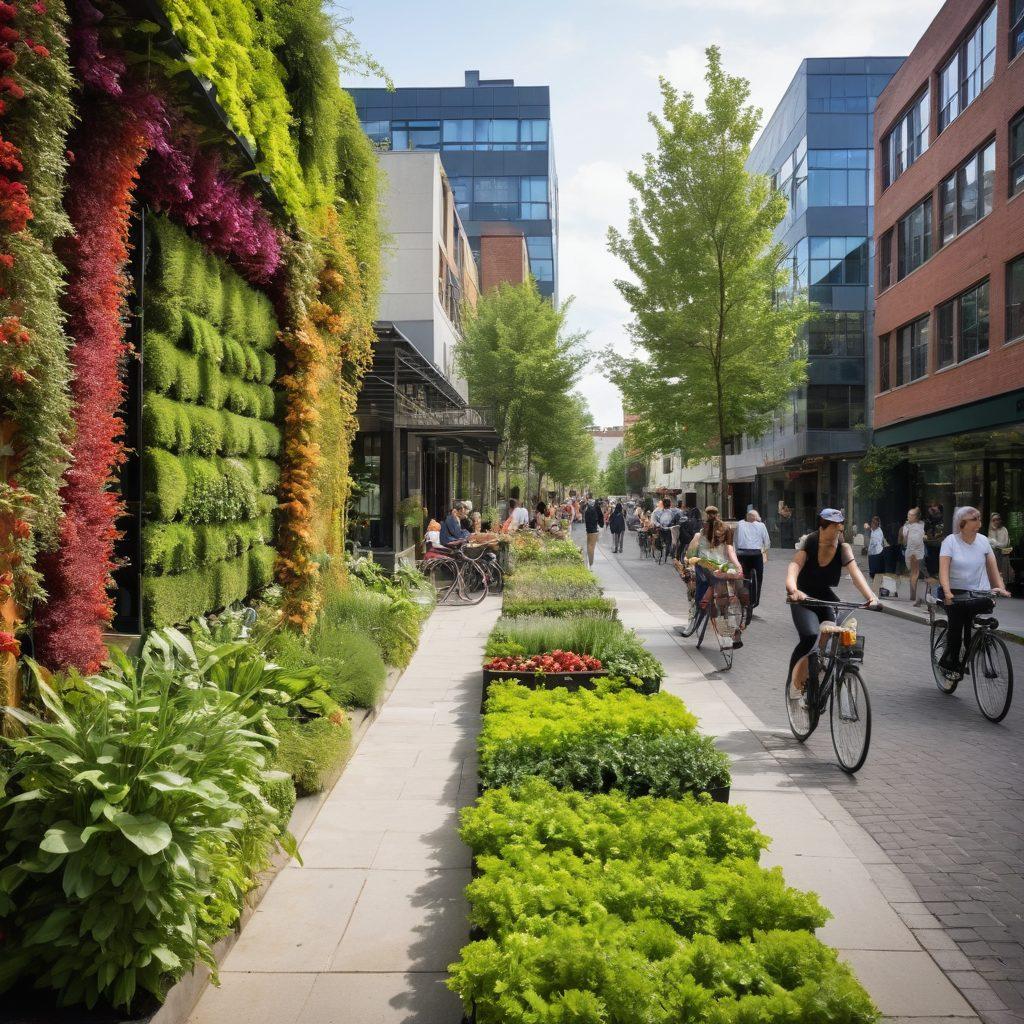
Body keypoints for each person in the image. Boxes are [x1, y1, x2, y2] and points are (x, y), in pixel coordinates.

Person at [785, 508, 878, 703]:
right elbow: (794, 566)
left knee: (843, 628)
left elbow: (855, 573)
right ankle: (793, 683)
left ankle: (821, 664)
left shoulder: (843, 548)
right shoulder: (810, 541)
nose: (839, 530)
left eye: (840, 526)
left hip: (825, 595)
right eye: (835, 527)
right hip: (803, 596)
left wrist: (871, 597)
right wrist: (793, 589)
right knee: (810, 636)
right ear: (823, 526)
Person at [937, 506, 1010, 675]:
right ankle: (950, 661)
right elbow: (944, 570)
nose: (979, 522)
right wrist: (947, 591)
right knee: (956, 627)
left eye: (979, 518)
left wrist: (1000, 587)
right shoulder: (950, 541)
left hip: (979, 593)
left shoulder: (983, 541)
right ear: (962, 523)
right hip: (956, 592)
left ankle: (977, 648)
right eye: (974, 519)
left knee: (982, 620)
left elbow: (992, 567)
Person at [686, 506, 745, 647]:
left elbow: (692, 554)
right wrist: (738, 565)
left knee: (701, 596)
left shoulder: (701, 531)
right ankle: (734, 627)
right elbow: (730, 551)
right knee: (729, 594)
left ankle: (697, 618)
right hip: (721, 568)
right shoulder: (727, 529)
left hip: (705, 568)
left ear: (706, 516)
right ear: (718, 515)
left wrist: (690, 560)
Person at [734, 509, 771, 611]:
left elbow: (735, 540)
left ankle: (743, 598)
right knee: (758, 578)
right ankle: (755, 601)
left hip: (742, 554)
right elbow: (767, 542)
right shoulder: (761, 525)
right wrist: (764, 550)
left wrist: (736, 551)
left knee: (743, 576)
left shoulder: (740, 524)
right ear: (756, 518)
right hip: (756, 554)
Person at [900, 507, 926, 606]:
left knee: (915, 573)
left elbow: (905, 540)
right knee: (914, 573)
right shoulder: (910, 526)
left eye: (911, 515)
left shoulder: (918, 525)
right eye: (908, 515)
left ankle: (914, 595)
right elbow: (905, 540)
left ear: (917, 517)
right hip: (912, 550)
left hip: (917, 550)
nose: (909, 516)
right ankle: (914, 595)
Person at [862, 515, 887, 597]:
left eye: (874, 523)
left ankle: (876, 591)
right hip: (872, 554)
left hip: (877, 554)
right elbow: (868, 528)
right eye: (872, 522)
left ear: (877, 524)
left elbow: (880, 543)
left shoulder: (879, 532)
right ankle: (875, 591)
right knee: (873, 574)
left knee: (876, 574)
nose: (872, 524)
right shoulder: (874, 530)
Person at [988, 513, 1012, 581]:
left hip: (1003, 557)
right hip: (993, 557)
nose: (996, 521)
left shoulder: (1004, 529)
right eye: (994, 520)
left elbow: (1005, 544)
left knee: (1003, 578)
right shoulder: (989, 531)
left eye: (998, 519)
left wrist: (994, 543)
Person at [583, 497, 604, 566]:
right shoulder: (595, 510)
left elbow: (586, 520)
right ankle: (591, 563)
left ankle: (589, 562)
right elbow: (599, 519)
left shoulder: (587, 511)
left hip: (588, 530)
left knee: (589, 546)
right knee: (592, 547)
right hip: (594, 530)